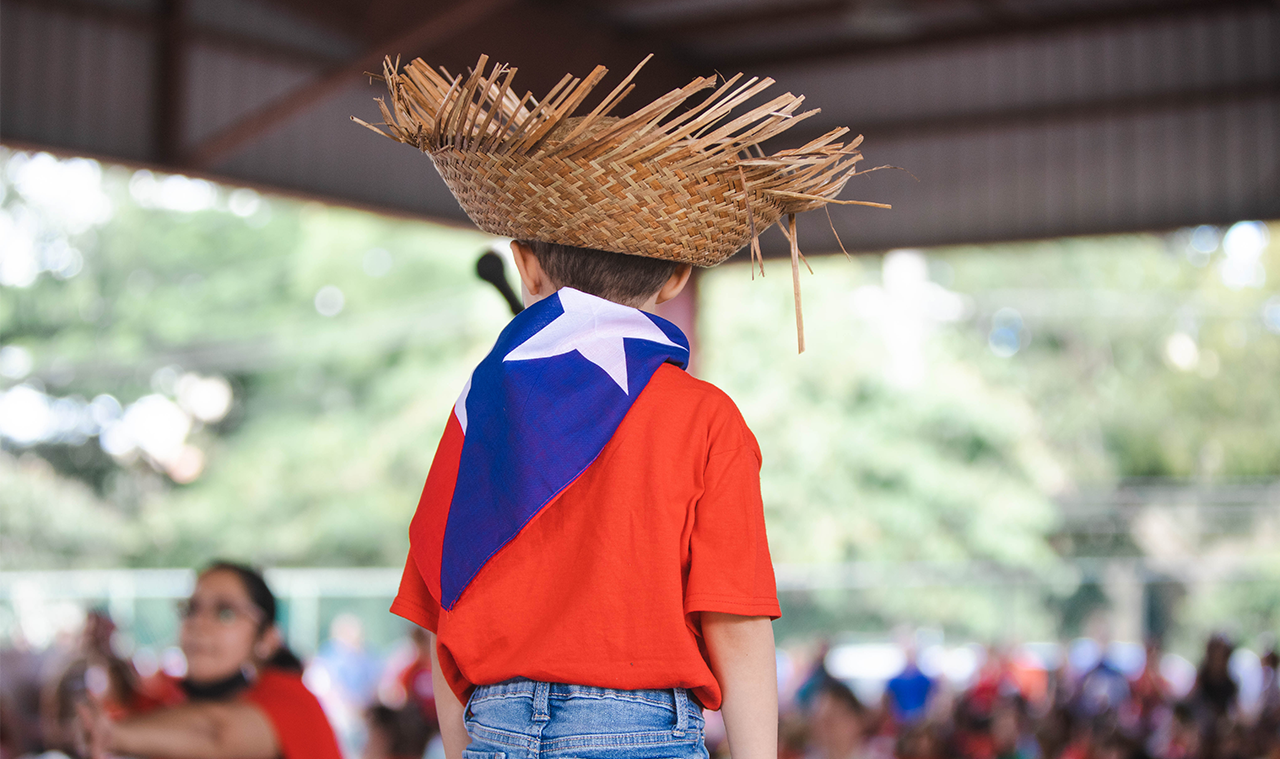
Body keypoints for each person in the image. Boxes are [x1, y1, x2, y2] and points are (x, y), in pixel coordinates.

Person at [358, 53, 879, 759]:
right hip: (640, 734)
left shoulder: (477, 412)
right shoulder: (705, 417)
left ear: (525, 264)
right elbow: (737, 621)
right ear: (675, 278)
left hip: (496, 726)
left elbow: (441, 608)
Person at [76, 561, 343, 759]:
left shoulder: (292, 697)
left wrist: (114, 735)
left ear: (267, 639)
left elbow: (215, 732)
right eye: (191, 609)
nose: (198, 624)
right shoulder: (172, 695)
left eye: (225, 613)